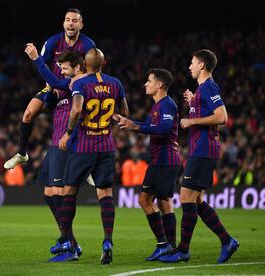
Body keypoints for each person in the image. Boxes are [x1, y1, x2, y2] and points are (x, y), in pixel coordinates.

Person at [49, 48, 129, 264]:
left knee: (69, 192)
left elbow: (75, 111)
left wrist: (67, 133)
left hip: (84, 146)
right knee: (105, 195)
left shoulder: (81, 84)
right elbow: (124, 112)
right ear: (104, 62)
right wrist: (111, 118)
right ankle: (108, 241)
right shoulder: (116, 83)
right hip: (106, 146)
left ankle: (66, 241)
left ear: (85, 63)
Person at [160, 49, 239, 263]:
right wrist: (194, 102)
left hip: (204, 150)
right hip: (201, 150)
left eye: (192, 63)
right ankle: (227, 241)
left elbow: (222, 116)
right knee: (197, 199)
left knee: (186, 197)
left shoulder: (209, 87)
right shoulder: (202, 91)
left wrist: (192, 120)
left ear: (202, 65)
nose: (190, 67)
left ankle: (183, 250)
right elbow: (209, 111)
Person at [4, 8, 95, 169]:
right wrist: (49, 84)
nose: (70, 23)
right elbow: (43, 67)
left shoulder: (88, 45)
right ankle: (22, 154)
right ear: (63, 23)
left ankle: (85, 161)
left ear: (81, 25)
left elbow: (91, 72)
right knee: (28, 113)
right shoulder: (53, 41)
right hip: (54, 85)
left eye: (75, 20)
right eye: (67, 20)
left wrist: (36, 59)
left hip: (77, 89)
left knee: (78, 118)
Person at [24, 43, 86, 258]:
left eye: (65, 67)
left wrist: (36, 59)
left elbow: (56, 80)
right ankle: (69, 241)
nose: (62, 71)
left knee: (60, 194)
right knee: (49, 194)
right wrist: (50, 91)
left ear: (77, 67)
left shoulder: (78, 82)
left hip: (66, 143)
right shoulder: (62, 86)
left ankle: (69, 245)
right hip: (54, 143)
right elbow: (50, 102)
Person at [113, 68, 180, 261]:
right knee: (164, 202)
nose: (145, 84)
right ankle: (170, 247)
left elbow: (165, 129)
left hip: (164, 161)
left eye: (149, 81)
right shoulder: (157, 106)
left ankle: (164, 244)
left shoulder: (166, 104)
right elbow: (150, 127)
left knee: (145, 200)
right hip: (163, 160)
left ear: (159, 84)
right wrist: (128, 121)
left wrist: (136, 126)